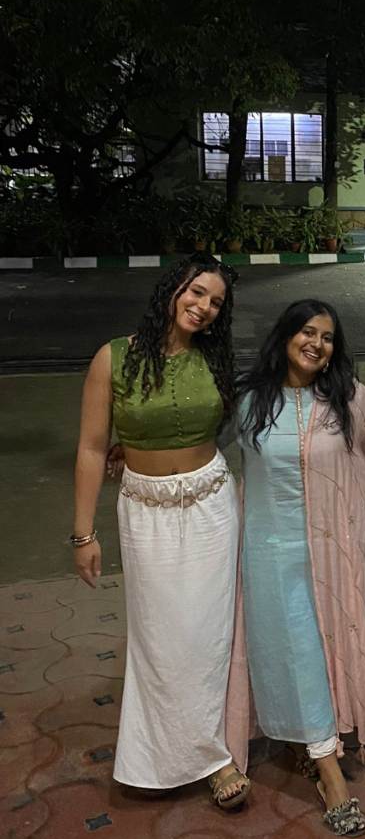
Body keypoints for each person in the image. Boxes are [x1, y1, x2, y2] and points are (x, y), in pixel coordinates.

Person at [72, 254, 249, 808]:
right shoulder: (114, 358)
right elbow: (92, 448)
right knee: (159, 634)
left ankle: (216, 755)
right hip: (145, 510)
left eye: (216, 302)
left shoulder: (215, 360)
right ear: (172, 290)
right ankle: (159, 756)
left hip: (212, 505)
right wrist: (83, 533)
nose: (203, 308)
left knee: (211, 632)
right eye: (196, 293)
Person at [224, 300, 365, 836]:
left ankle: (316, 751)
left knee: (316, 650)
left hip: (329, 555)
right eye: (306, 331)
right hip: (270, 553)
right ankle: (327, 768)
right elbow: (203, 448)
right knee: (291, 650)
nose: (316, 343)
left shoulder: (344, 398)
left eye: (327, 337)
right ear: (286, 335)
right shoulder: (251, 402)